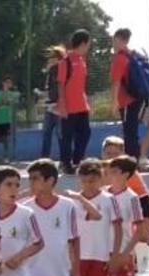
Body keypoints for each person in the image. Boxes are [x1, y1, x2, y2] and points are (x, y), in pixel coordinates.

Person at [103, 156, 145, 276]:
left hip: (121, 251)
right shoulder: (102, 195)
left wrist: (126, 253)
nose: (109, 174)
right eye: (108, 171)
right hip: (102, 251)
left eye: (114, 171)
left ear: (125, 174)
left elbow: (139, 230)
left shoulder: (132, 198)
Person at [58, 30, 92, 175]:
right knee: (67, 136)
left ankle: (77, 160)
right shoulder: (66, 61)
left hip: (81, 105)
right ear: (83, 43)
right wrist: (62, 105)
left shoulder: (82, 61)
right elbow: (61, 84)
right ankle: (66, 163)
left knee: (85, 133)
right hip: (69, 107)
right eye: (88, 43)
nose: (89, 47)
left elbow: (81, 85)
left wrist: (87, 103)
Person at [110, 28, 143, 161]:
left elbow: (116, 82)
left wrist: (114, 102)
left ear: (120, 40)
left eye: (115, 40)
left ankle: (131, 161)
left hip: (126, 100)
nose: (113, 44)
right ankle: (135, 159)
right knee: (132, 131)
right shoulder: (133, 55)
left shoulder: (119, 58)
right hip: (138, 98)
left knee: (129, 132)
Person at [39, 46, 65, 159]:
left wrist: (58, 102)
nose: (50, 59)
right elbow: (50, 88)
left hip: (58, 105)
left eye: (52, 57)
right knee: (47, 133)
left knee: (60, 134)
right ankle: (45, 158)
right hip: (50, 105)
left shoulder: (59, 69)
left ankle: (64, 158)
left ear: (58, 58)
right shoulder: (51, 71)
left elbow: (59, 88)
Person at [0, 76, 16, 164]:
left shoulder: (12, 94)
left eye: (10, 83)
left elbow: (9, 102)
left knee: (6, 140)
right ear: (3, 83)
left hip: (7, 120)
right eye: (7, 82)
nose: (8, 84)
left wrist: (3, 103)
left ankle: (6, 157)